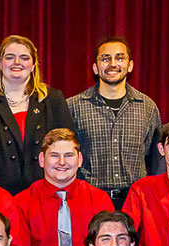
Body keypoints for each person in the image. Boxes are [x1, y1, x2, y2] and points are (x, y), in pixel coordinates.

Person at [0, 35, 77, 195]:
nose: (17, 63)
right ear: (0, 63)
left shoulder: (52, 99)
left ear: (33, 65)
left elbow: (67, 147)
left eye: (24, 58)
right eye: (10, 57)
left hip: (46, 195)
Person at [5, 128, 113, 246]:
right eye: (54, 155)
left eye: (68, 155)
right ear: (42, 159)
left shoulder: (98, 199)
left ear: (79, 159)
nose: (62, 162)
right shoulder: (22, 202)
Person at [67, 37, 161, 205]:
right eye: (105, 58)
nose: (112, 64)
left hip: (135, 202)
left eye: (120, 58)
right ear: (95, 68)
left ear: (130, 65)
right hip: (88, 202)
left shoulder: (147, 107)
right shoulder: (73, 107)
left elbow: (153, 158)